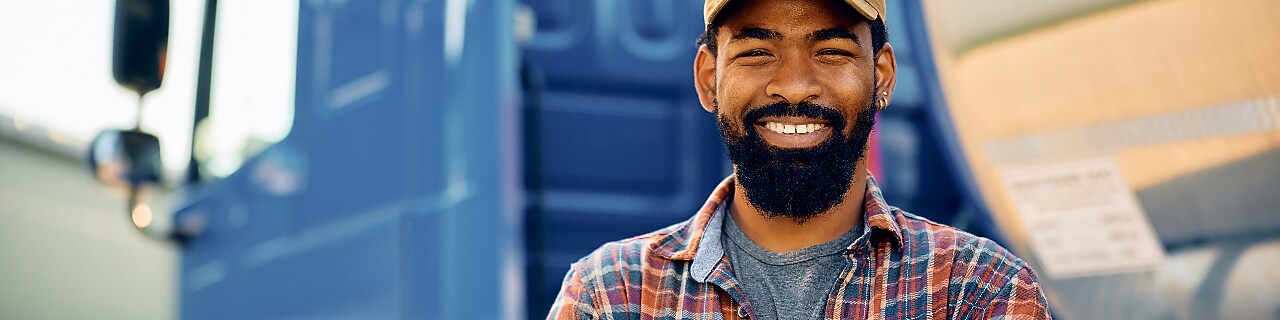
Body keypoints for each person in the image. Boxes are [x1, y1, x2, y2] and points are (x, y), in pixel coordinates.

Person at [547, 0, 1051, 318]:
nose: (792, 85)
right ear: (707, 78)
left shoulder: (977, 290)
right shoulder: (613, 295)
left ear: (883, 76)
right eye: (756, 53)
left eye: (830, 51)